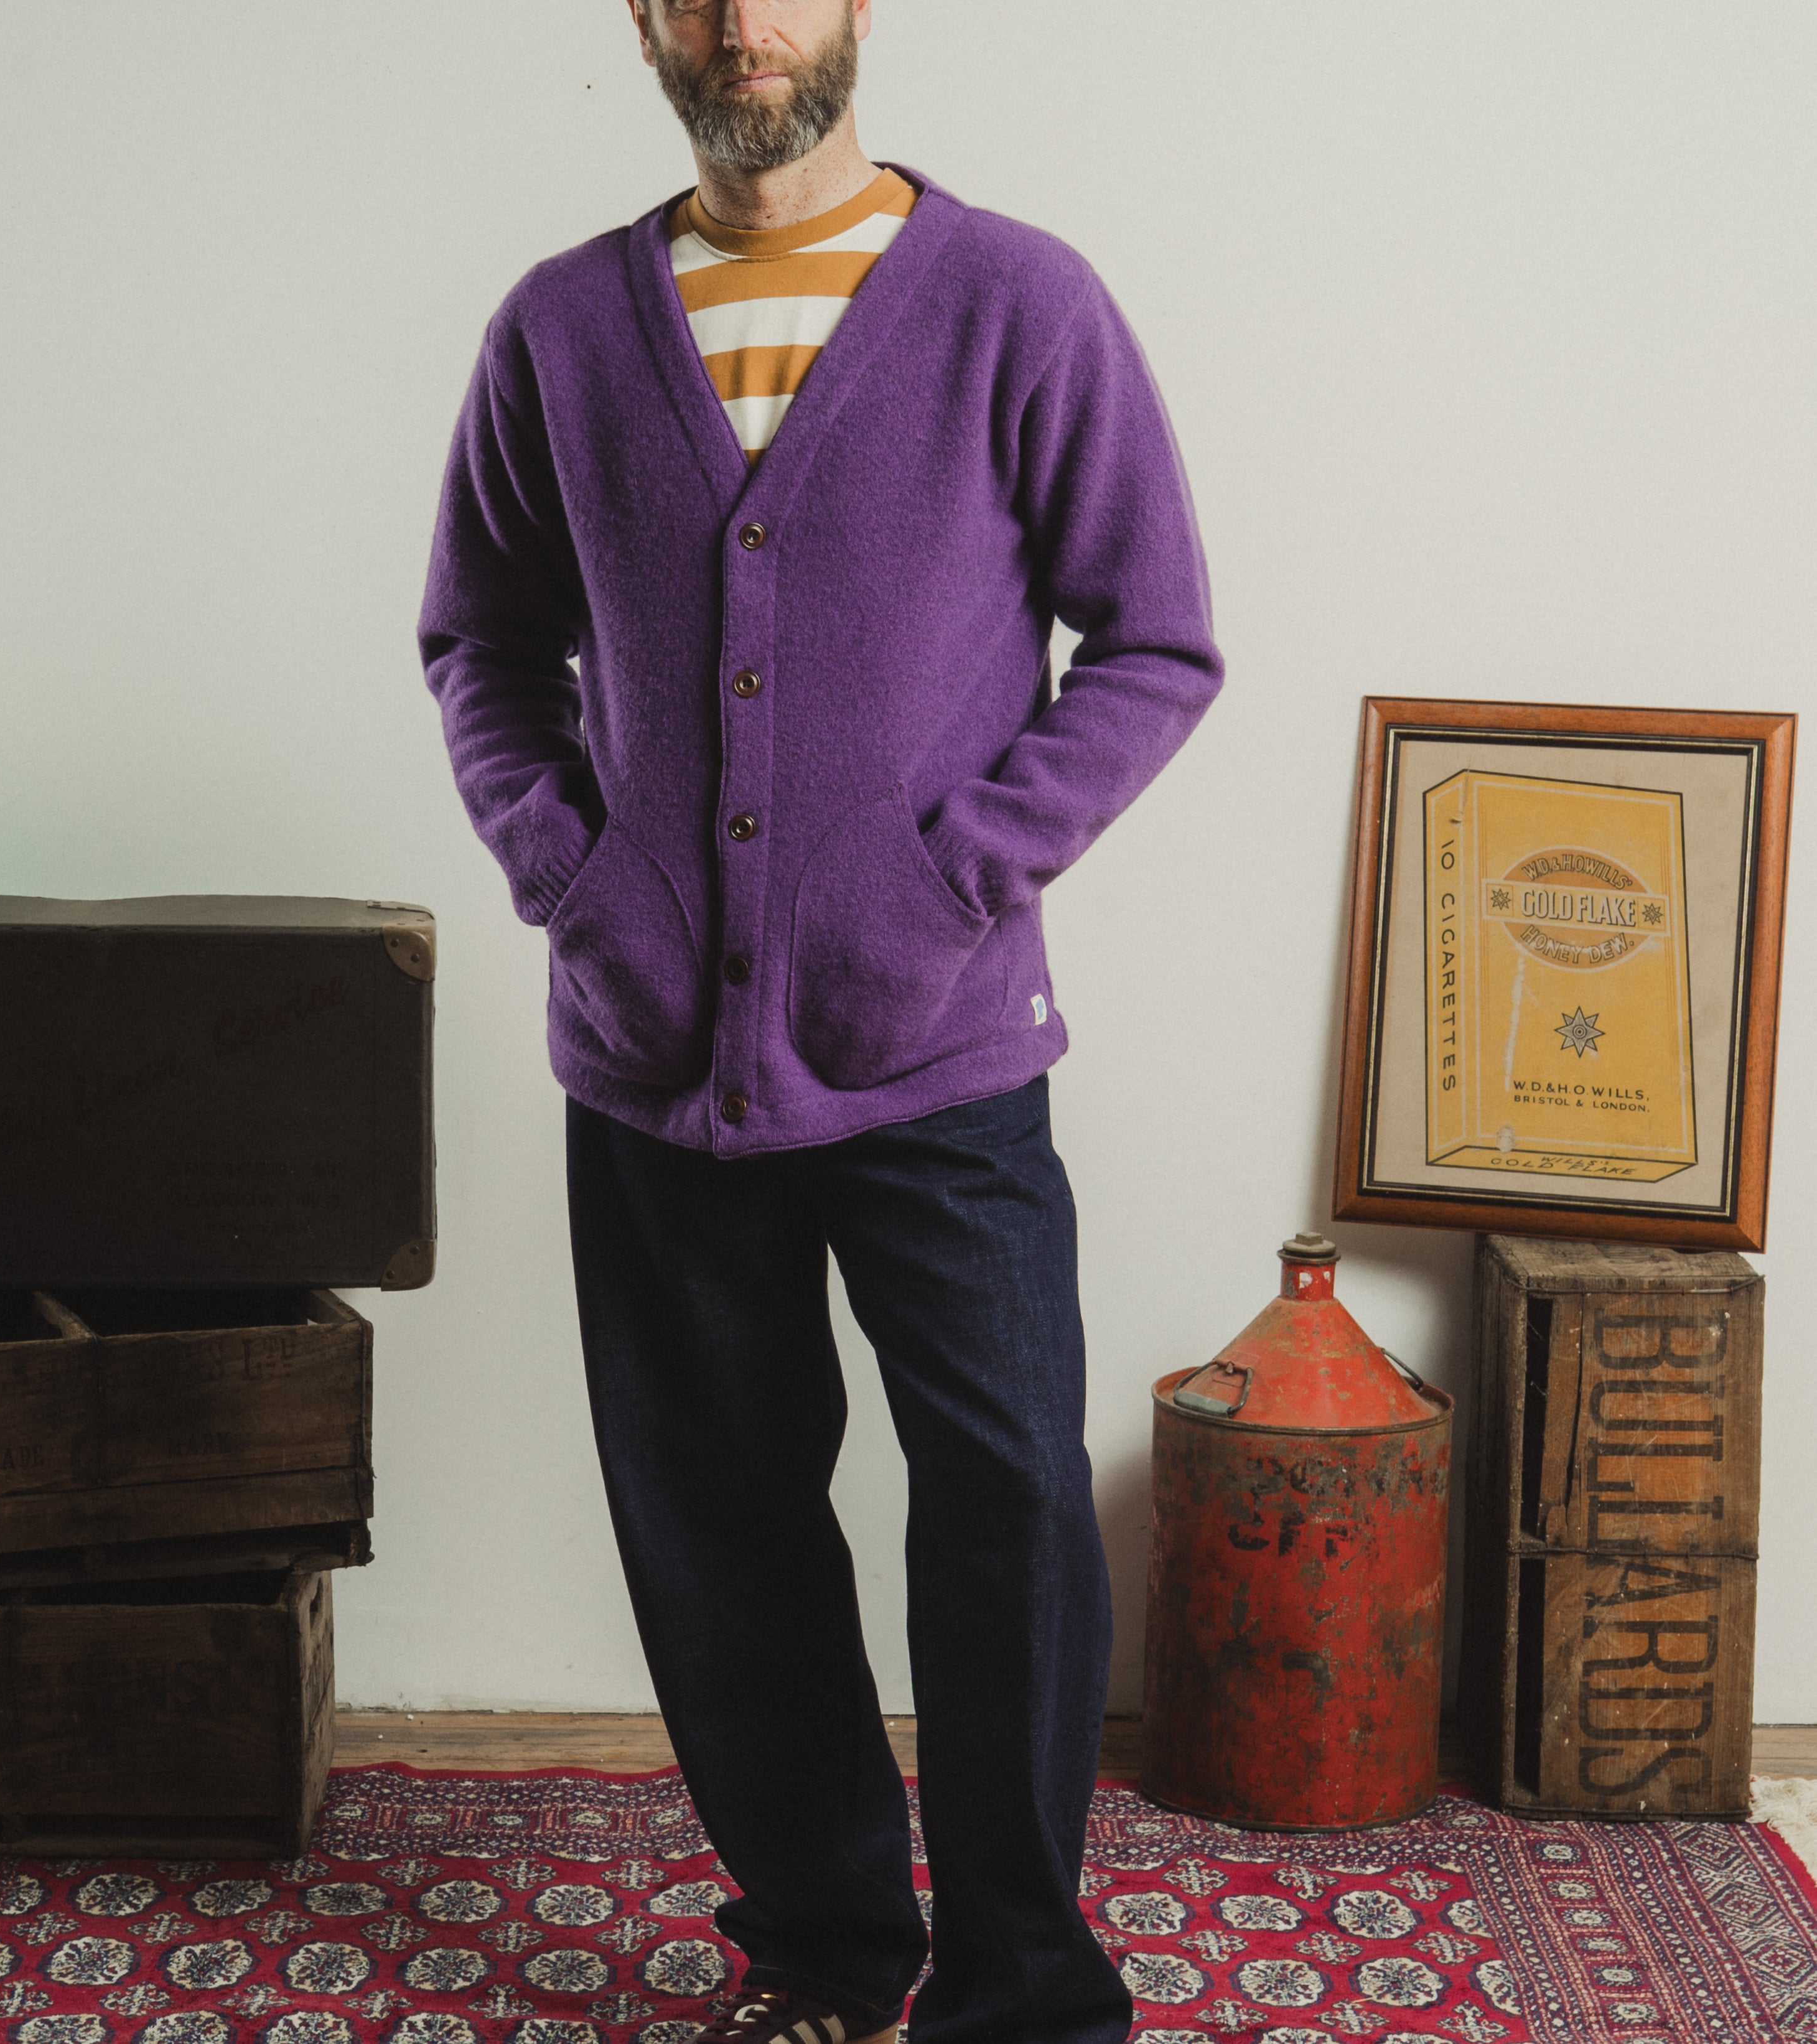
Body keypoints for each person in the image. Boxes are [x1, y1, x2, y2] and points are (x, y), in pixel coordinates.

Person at [419, 2, 1223, 2039]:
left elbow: (1155, 641)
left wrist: (962, 874)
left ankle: (1024, 1990)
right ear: (644, 17)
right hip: (655, 1056)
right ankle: (830, 1951)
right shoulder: (559, 331)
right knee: (719, 1519)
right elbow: (481, 643)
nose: (742, 23)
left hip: (940, 1040)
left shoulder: (1018, 303)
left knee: (1011, 1503)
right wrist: (572, 872)